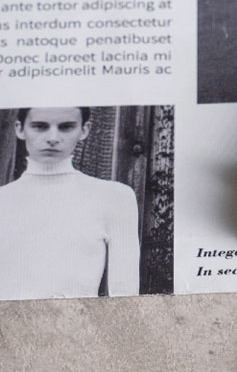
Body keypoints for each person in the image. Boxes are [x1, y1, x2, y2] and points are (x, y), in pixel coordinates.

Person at [0, 107, 140, 299]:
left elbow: (125, 296)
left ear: (84, 130)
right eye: (40, 126)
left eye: (66, 127)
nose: (53, 138)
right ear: (19, 129)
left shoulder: (114, 197)